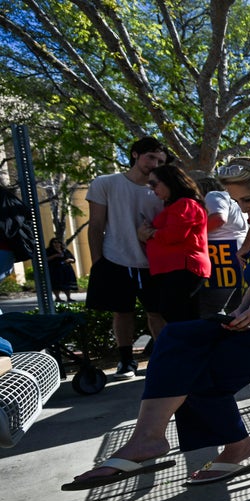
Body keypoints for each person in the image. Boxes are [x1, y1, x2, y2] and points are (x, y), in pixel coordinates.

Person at [64, 157, 250, 490]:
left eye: (248, 201)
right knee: (174, 337)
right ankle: (148, 437)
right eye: (238, 202)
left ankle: (237, 445)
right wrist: (243, 310)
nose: (244, 209)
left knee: (200, 372)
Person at [85, 136, 170, 380]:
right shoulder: (105, 183)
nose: (154, 163)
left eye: (160, 160)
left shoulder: (162, 191)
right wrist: (98, 261)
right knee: (122, 313)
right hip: (115, 259)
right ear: (135, 154)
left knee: (157, 313)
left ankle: (164, 358)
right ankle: (126, 361)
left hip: (153, 262)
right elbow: (96, 225)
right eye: (150, 157)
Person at [136, 164, 211, 322]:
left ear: (169, 181)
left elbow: (174, 235)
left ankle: (189, 346)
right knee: (182, 315)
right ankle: (190, 346)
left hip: (183, 267)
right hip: (174, 268)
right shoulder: (176, 205)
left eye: (154, 184)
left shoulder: (185, 204)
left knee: (174, 312)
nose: (152, 189)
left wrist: (150, 233)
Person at [195, 173, 249, 317]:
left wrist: (189, 236)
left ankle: (213, 340)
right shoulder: (235, 202)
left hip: (222, 259)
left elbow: (218, 218)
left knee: (212, 311)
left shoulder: (214, 195)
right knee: (235, 309)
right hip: (239, 260)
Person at [45, 237, 79, 302]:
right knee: (56, 284)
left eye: (58, 242)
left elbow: (73, 259)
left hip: (66, 269)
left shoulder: (65, 251)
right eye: (54, 242)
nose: (57, 244)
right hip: (55, 270)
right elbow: (46, 259)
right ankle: (57, 298)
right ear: (52, 243)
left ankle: (69, 297)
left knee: (67, 284)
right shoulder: (49, 251)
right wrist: (55, 256)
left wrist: (69, 260)